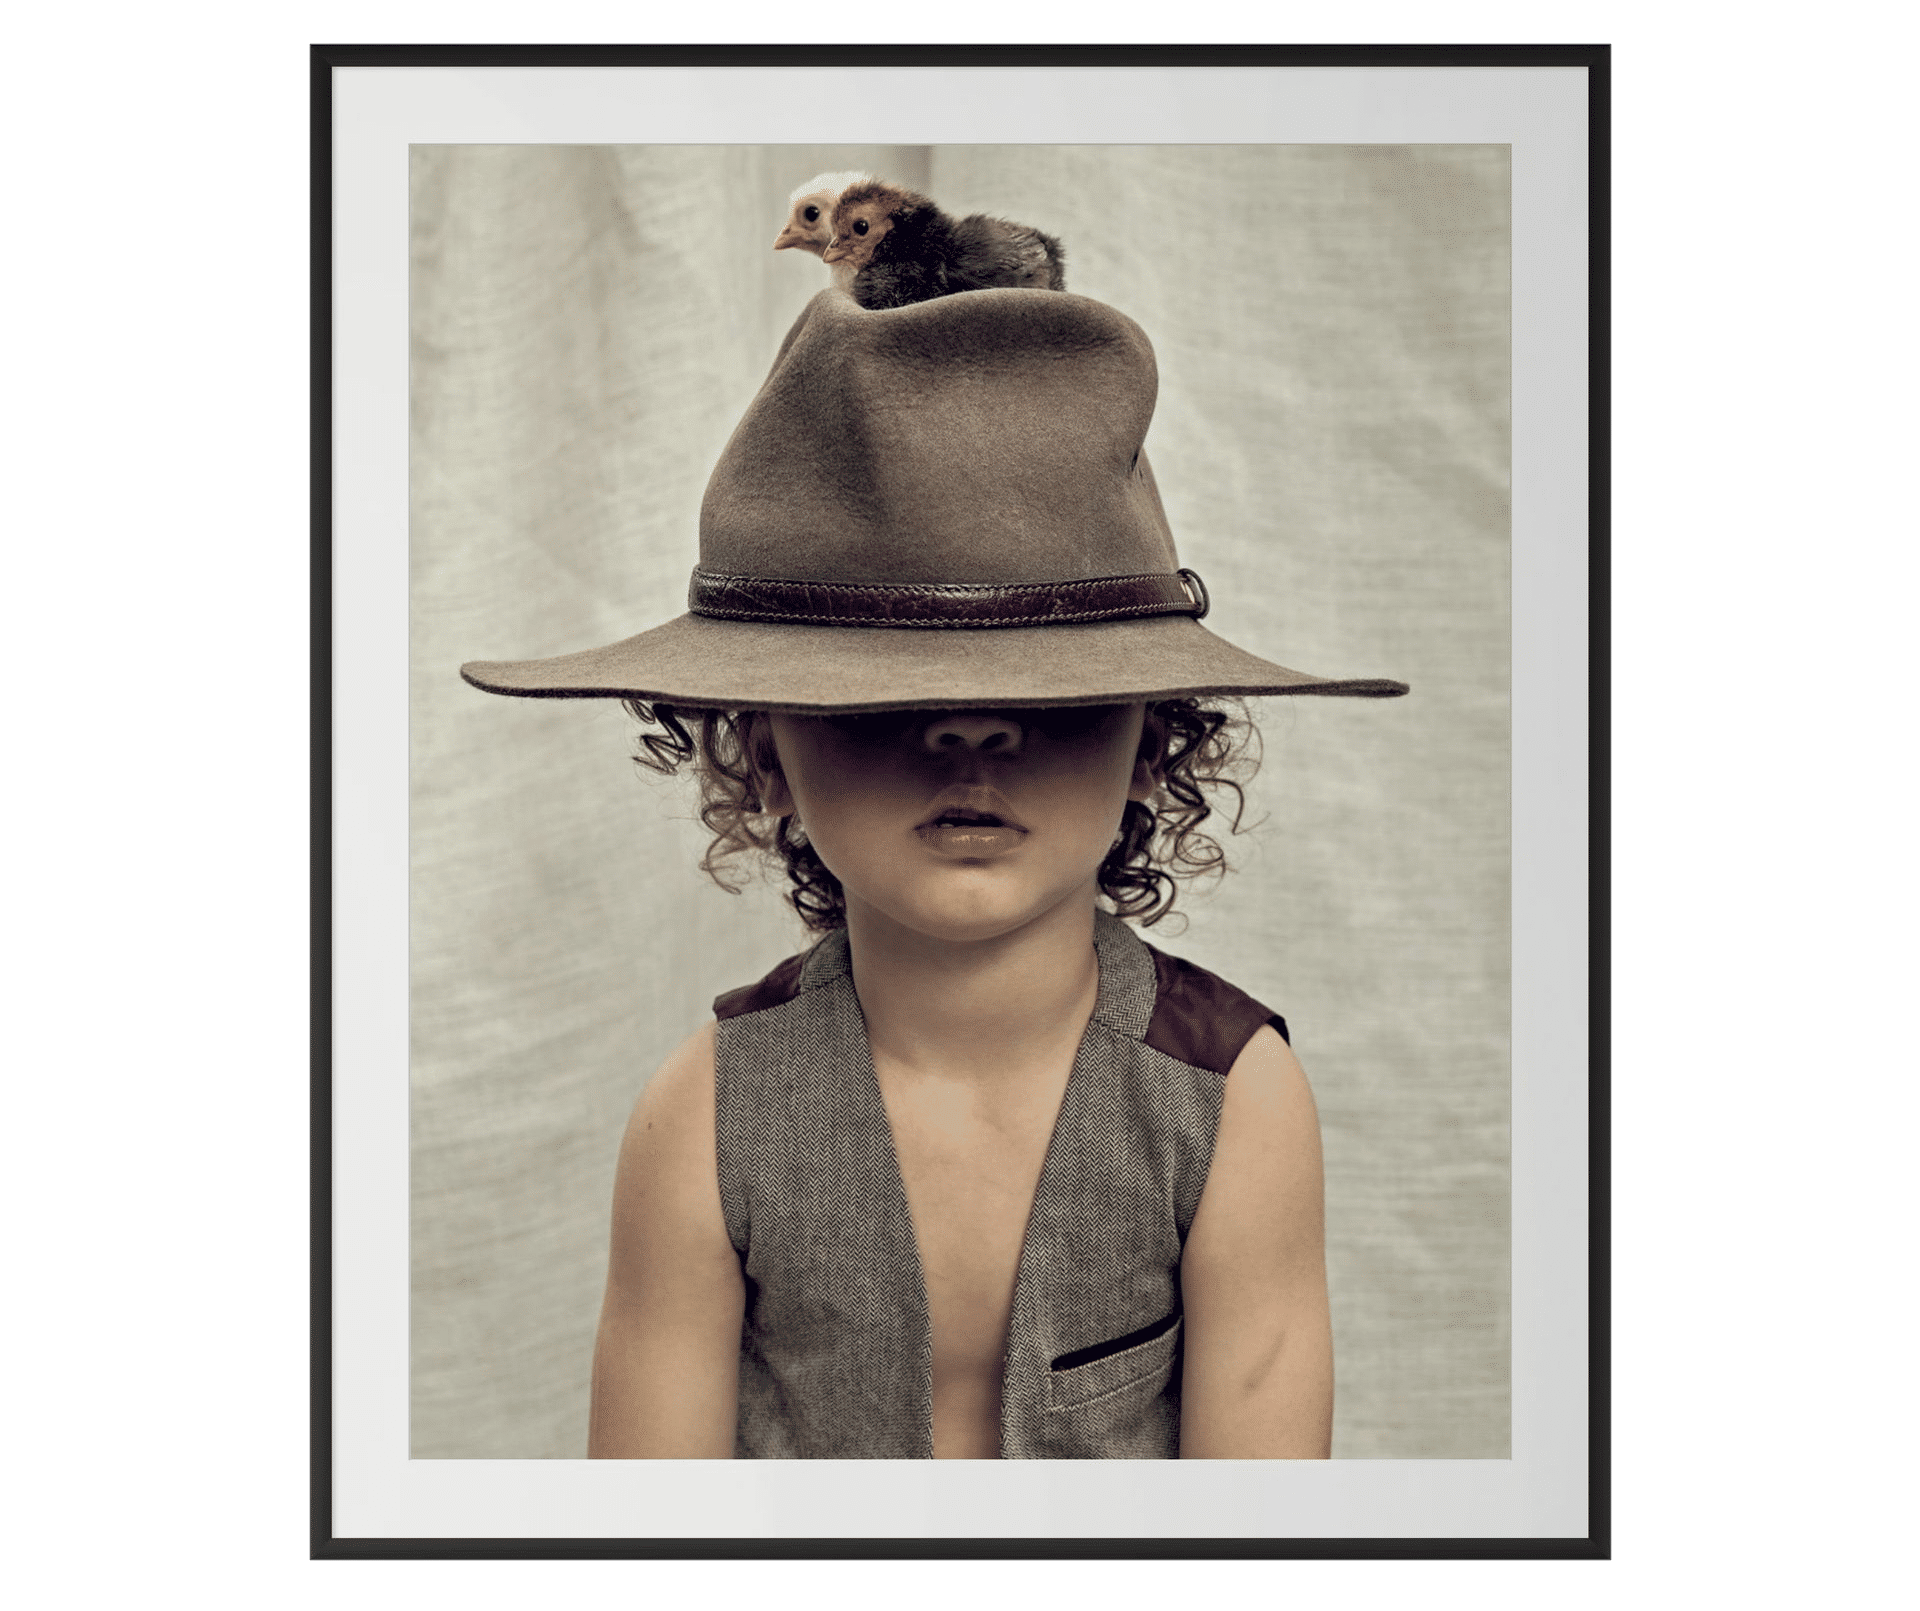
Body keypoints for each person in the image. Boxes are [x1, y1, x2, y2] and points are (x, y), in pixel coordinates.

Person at [461, 284, 1406, 1459]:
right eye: (887, 699)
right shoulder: (706, 1113)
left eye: (1048, 699)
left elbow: (1264, 1545)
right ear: (762, 752)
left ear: (1151, 746)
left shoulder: (1230, 1097)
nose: (971, 739)